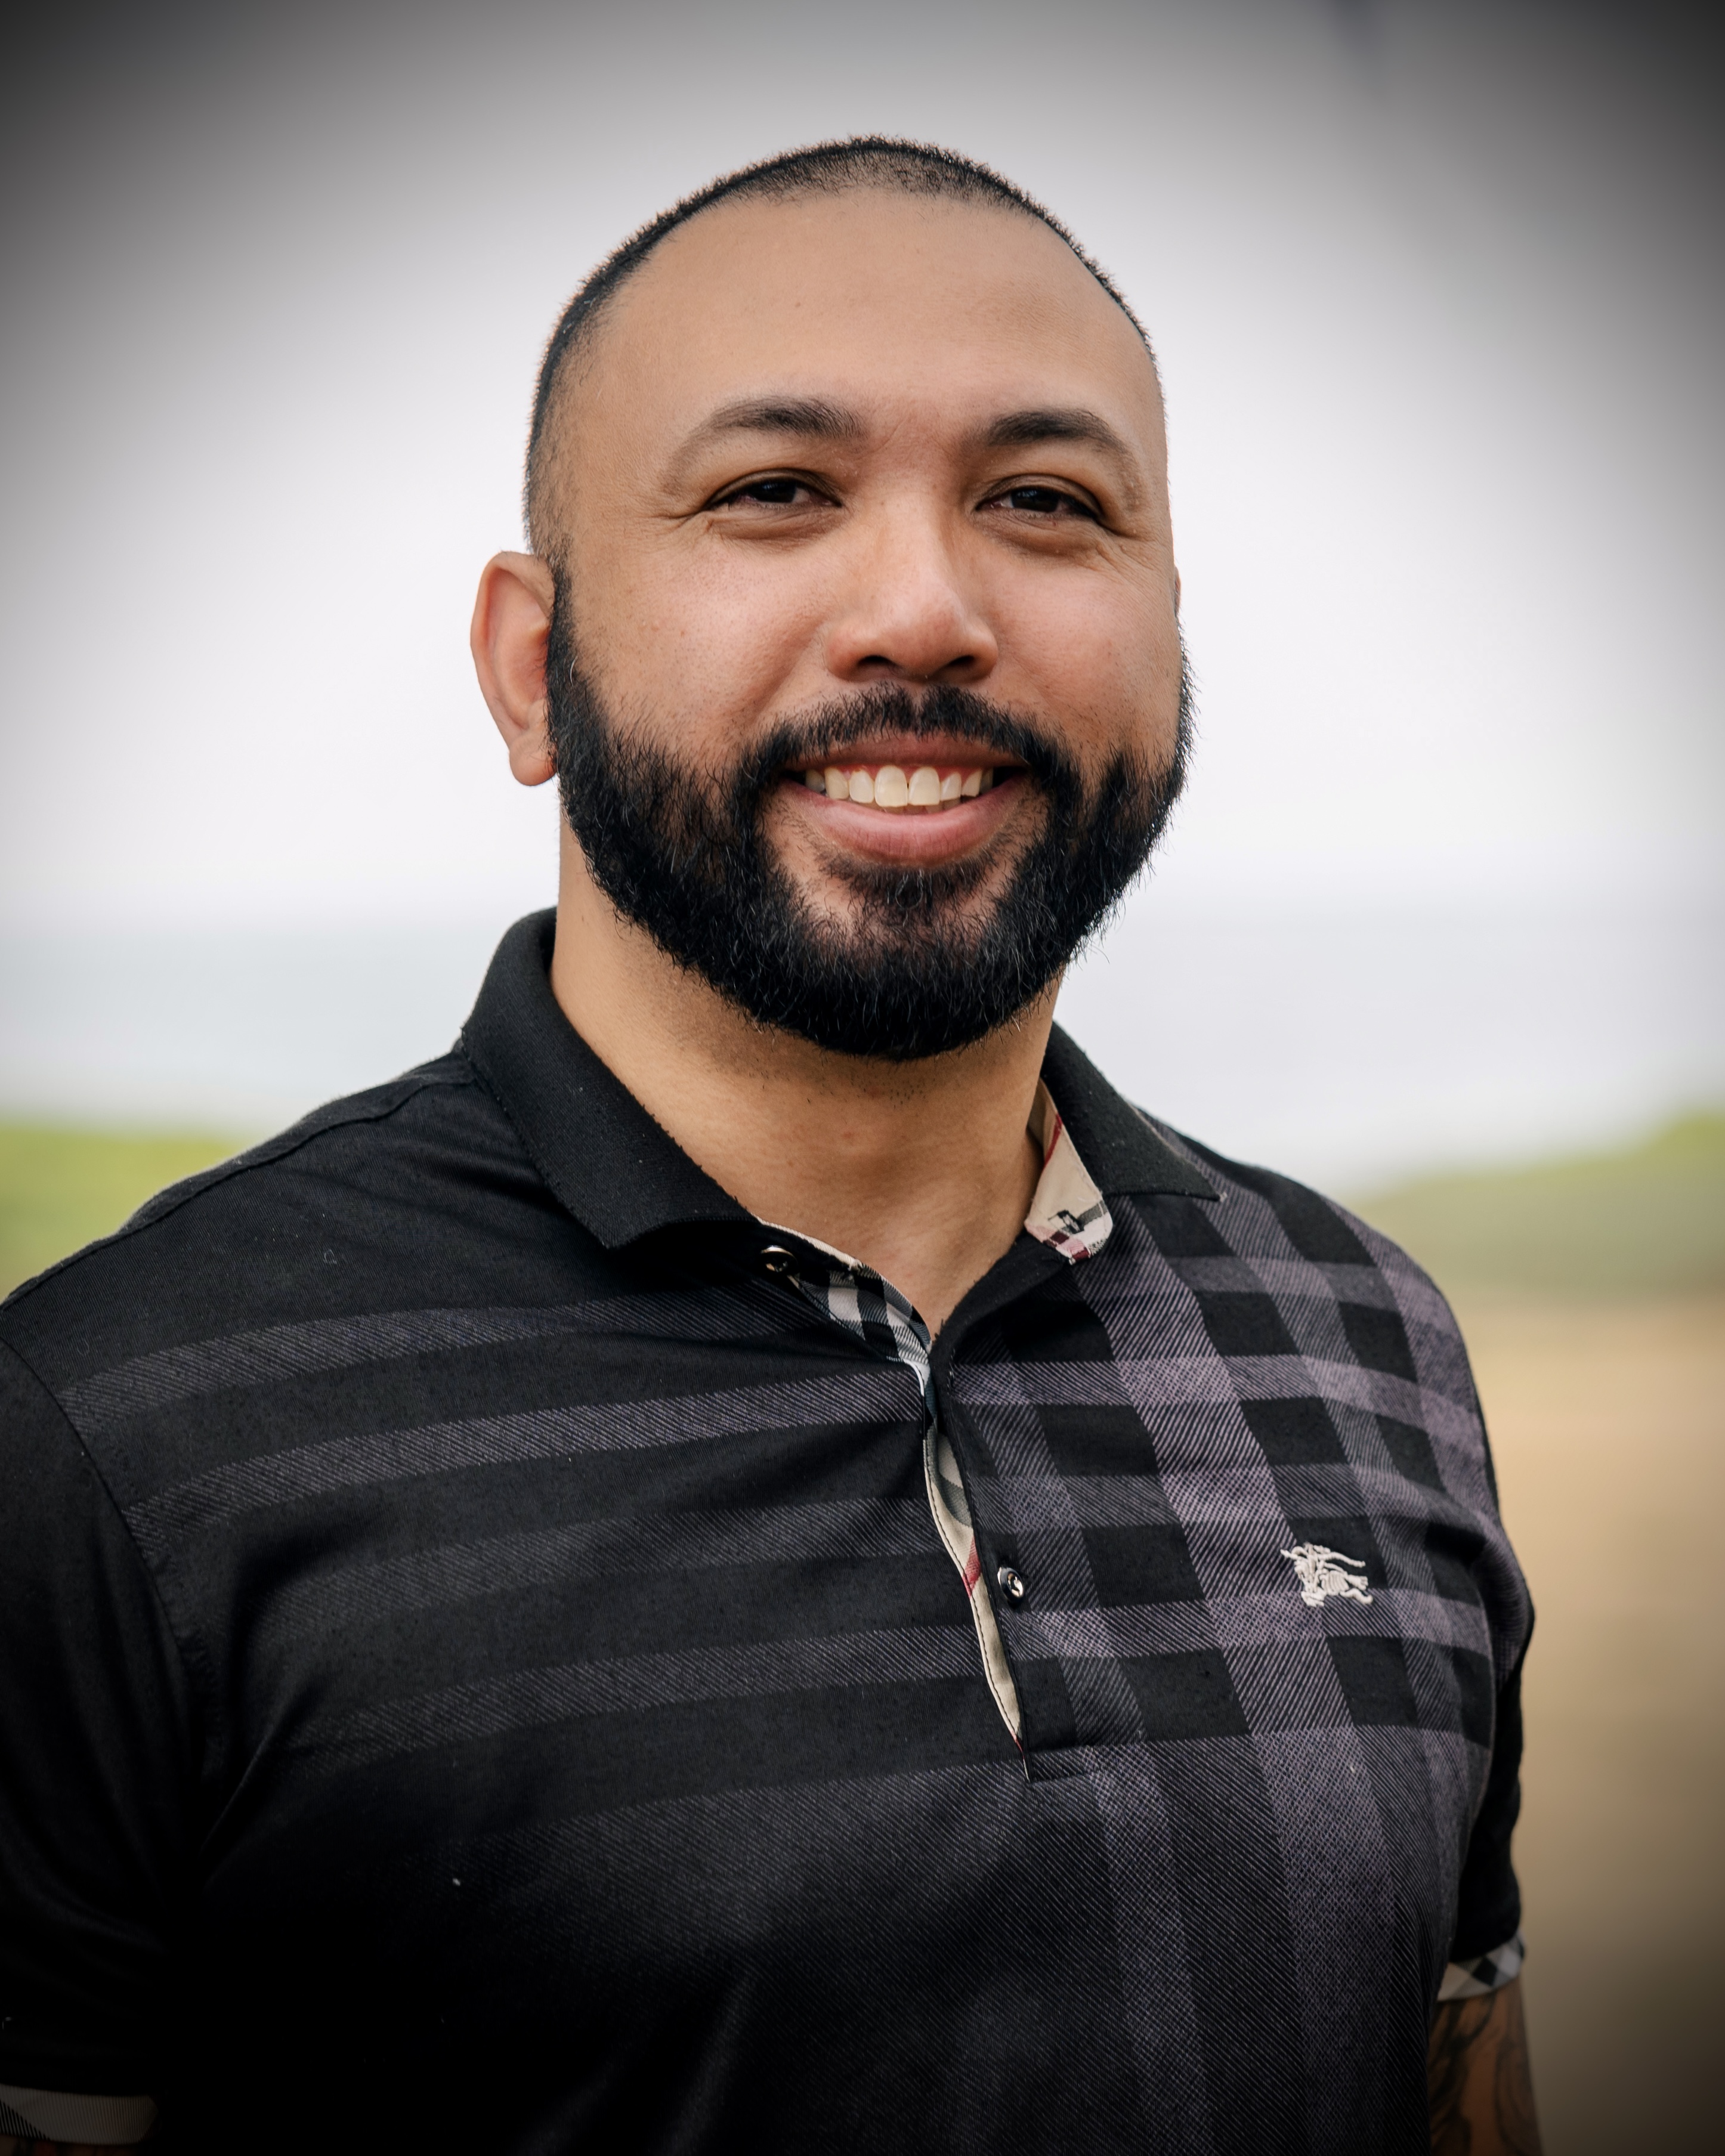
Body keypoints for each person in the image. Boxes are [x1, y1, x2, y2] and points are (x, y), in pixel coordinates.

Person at [0, 139, 1539, 2155]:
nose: (924, 610)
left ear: (1167, 636)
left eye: (1044, 502)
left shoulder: (1360, 1341)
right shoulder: (119, 1433)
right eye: (772, 492)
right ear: (530, 667)